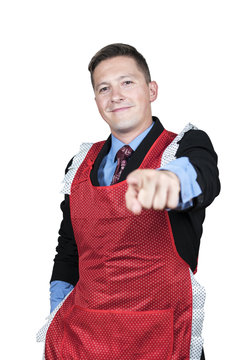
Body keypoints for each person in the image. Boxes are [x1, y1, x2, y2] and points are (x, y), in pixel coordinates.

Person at [37, 43, 220, 360]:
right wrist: (58, 308)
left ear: (151, 90)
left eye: (127, 82)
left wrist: (171, 181)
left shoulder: (183, 148)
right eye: (103, 88)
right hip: (82, 342)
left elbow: (203, 176)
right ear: (96, 100)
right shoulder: (79, 163)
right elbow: (69, 246)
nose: (115, 95)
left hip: (161, 340)